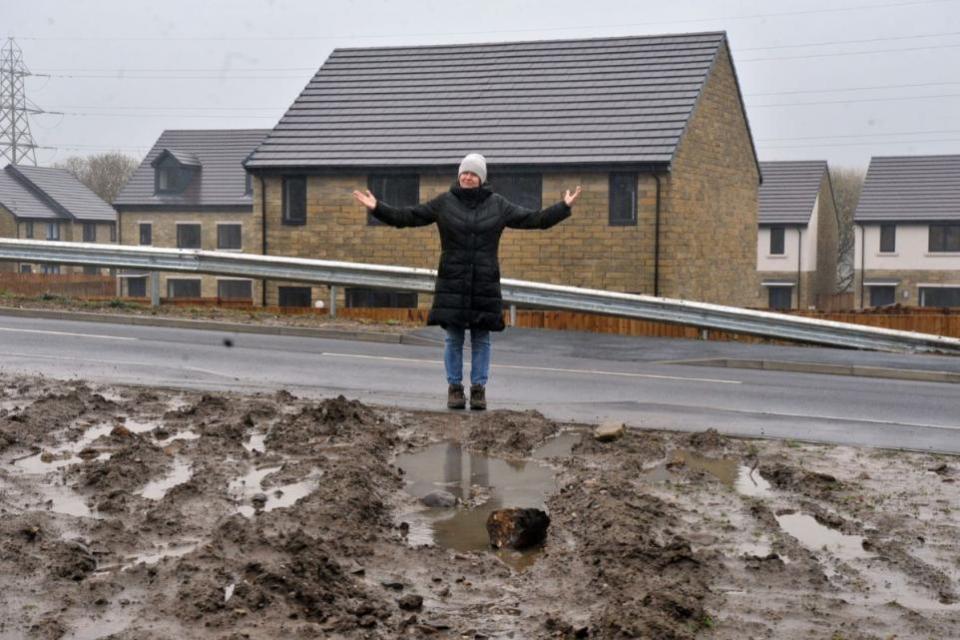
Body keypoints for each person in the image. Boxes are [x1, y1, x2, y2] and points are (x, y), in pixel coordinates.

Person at [353, 153, 581, 410]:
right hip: (453, 282)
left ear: (481, 178)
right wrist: (378, 208)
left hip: (484, 283)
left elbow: (534, 220)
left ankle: (478, 389)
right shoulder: (444, 203)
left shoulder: (498, 205)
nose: (467, 176)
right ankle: (454, 389)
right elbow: (409, 217)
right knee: (453, 338)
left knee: (482, 338)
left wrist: (563, 207)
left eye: (473, 173)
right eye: (464, 172)